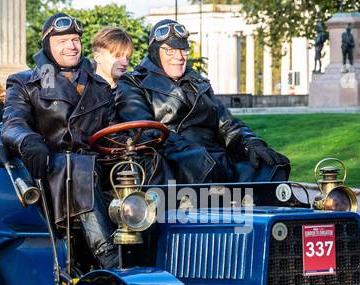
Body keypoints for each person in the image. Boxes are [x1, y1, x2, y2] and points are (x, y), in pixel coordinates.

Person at [2, 13, 120, 270]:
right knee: (77, 166)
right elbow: (13, 124)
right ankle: (109, 259)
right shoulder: (26, 82)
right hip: (51, 170)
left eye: (75, 39)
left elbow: (113, 132)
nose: (71, 46)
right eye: (63, 40)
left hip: (96, 166)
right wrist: (28, 141)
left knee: (144, 165)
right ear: (47, 45)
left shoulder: (99, 85)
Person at [115, 18, 290, 184]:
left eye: (183, 50)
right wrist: (189, 150)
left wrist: (251, 142)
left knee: (270, 164)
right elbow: (145, 131)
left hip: (214, 157)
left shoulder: (199, 83)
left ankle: (271, 212)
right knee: (202, 164)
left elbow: (228, 125)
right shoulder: (133, 83)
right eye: (170, 50)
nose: (179, 56)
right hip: (174, 158)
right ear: (155, 51)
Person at [90, 26, 134, 90]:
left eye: (127, 58)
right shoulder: (79, 91)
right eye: (117, 56)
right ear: (98, 58)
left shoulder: (134, 92)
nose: (125, 63)